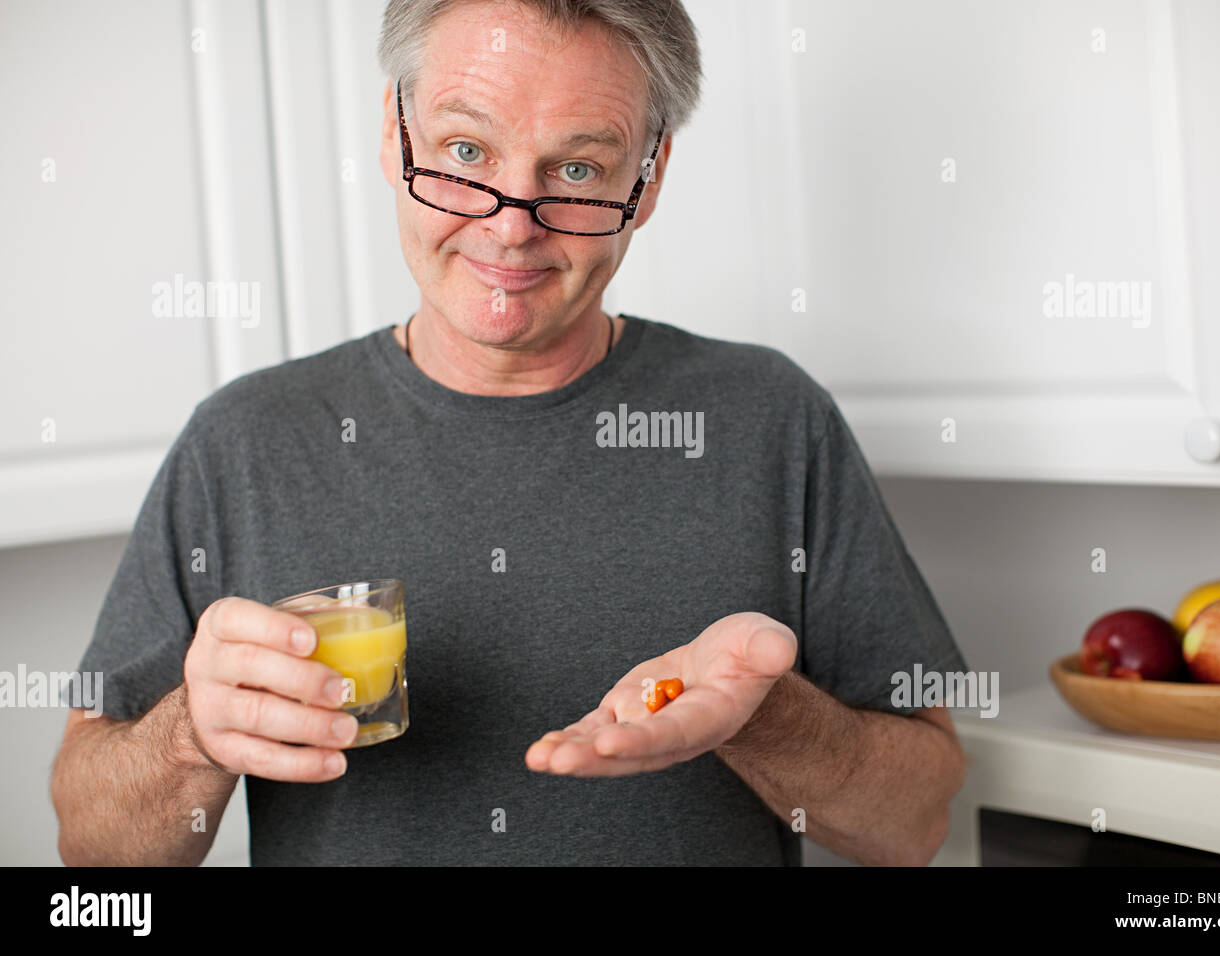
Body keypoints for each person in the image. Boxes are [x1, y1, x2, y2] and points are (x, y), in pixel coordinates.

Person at [51, 0, 967, 866]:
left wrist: (763, 717)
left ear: (647, 180)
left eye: (576, 169)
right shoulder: (243, 441)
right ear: (391, 133)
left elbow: (914, 826)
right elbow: (91, 848)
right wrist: (193, 734)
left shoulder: (772, 418)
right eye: (463, 150)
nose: (508, 224)